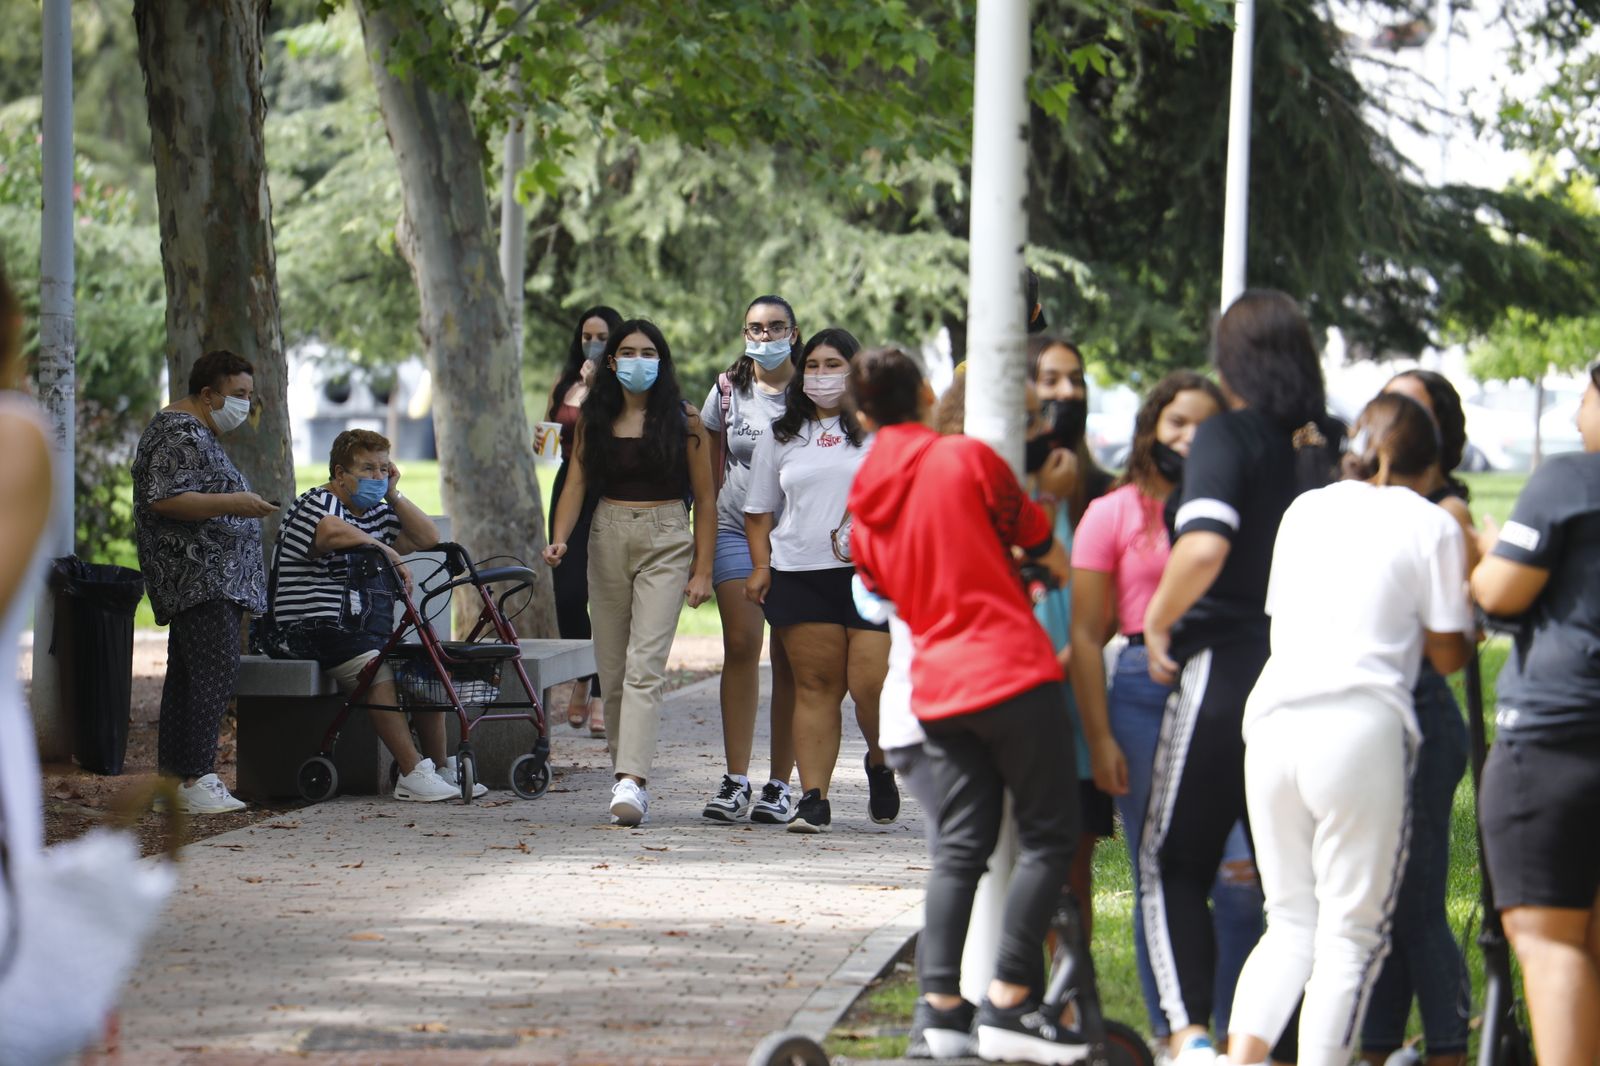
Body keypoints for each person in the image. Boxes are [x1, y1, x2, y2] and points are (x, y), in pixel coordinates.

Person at [847, 346, 1083, 1065]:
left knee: (958, 850)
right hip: (1012, 671)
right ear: (926, 393)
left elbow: (890, 591)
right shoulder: (967, 459)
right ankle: (1010, 997)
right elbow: (1042, 544)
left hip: (938, 691)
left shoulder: (862, 511)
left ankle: (942, 1010)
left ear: (862, 416)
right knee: (1050, 836)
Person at [1226, 393, 1473, 1066]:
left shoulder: (1305, 510)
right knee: (1348, 935)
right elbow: (1448, 654)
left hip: (1273, 718)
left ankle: (1241, 1057)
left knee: (1288, 923)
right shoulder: (1431, 523)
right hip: (1361, 726)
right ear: (1430, 468)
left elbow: (1282, 617)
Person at [1140, 290, 1334, 1065]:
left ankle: (1191, 1037)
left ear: (1231, 361)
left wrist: (1158, 621)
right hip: (1314, 671)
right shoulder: (1328, 444)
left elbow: (1205, 545)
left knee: (1173, 862)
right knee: (1297, 891)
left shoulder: (1229, 435)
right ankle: (1286, 1047)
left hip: (1225, 669)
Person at [1067, 370, 1264, 1045]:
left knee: (1241, 875)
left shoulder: (1236, 505)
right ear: (1152, 427)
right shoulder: (1113, 512)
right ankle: (1178, 1033)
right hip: (1141, 697)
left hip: (1225, 690)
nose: (1190, 436)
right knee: (1158, 867)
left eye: (1207, 424)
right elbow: (1086, 635)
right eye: (1178, 421)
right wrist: (1100, 738)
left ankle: (1239, 1033)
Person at [1470, 362, 1600, 1066]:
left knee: (1551, 941)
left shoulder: (1571, 480)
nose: (1577, 415)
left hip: (1559, 736)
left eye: (1585, 397)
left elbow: (1499, 592)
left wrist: (1486, 553)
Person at [544, 319, 715, 827]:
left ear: (661, 361)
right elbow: (576, 483)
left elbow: (707, 499)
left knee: (645, 664)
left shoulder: (684, 419)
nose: (638, 361)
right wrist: (560, 537)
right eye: (628, 352)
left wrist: (702, 570)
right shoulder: (595, 418)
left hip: (667, 535)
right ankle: (626, 773)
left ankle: (632, 780)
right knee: (613, 669)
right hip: (607, 534)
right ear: (613, 362)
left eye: (648, 352)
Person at [1359, 369, 1477, 1066]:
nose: (1396, 421)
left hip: (1423, 714)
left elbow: (1452, 645)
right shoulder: (1353, 506)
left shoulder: (1444, 514)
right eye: (1389, 404)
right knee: (1382, 902)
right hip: (1373, 718)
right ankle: (1379, 1049)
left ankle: (1449, 1049)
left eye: (1414, 411)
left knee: (1416, 902)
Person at [745, 328, 895, 834]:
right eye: (812, 365)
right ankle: (814, 798)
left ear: (856, 371)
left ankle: (879, 759)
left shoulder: (880, 433)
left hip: (873, 577)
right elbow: (759, 510)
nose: (821, 375)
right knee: (815, 687)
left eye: (833, 365)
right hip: (800, 574)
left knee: (870, 685)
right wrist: (761, 567)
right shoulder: (780, 435)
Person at [266, 429, 464, 801]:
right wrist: (385, 550)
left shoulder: (376, 513)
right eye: (368, 469)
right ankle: (412, 772)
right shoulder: (318, 502)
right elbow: (330, 532)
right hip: (305, 628)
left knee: (423, 668)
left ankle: (440, 768)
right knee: (377, 669)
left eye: (383, 468)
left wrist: (393, 494)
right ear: (340, 474)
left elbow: (427, 537)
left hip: (357, 631)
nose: (377, 476)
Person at [131, 349, 273, 814]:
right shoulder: (180, 431)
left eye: (249, 395)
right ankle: (196, 777)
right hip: (201, 577)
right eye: (238, 394)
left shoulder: (194, 431)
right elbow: (165, 498)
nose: (245, 404)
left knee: (189, 677)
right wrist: (236, 503)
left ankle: (174, 784)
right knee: (213, 674)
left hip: (208, 578)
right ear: (208, 394)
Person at [698, 295, 800, 824]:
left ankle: (780, 785)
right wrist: (700, 554)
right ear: (744, 334)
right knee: (741, 643)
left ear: (793, 333)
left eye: (776, 327)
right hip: (736, 528)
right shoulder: (727, 390)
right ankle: (735, 779)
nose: (765, 337)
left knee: (790, 657)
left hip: (797, 538)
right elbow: (707, 471)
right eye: (756, 328)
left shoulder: (814, 390)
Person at [1025, 335, 1114, 940]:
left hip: (1076, 693)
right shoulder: (1002, 480)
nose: (1067, 392)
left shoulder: (1100, 488)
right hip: (1008, 692)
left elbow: (1113, 600)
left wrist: (1068, 656)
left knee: (1071, 869)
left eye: (1076, 380)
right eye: (1052, 379)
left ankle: (1071, 984)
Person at [546, 305, 622, 736]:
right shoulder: (565, 381)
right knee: (569, 591)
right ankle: (583, 675)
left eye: (601, 337)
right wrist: (543, 437)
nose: (592, 344)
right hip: (569, 483)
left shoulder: (622, 384)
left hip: (610, 484)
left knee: (608, 591)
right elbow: (550, 430)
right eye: (586, 336)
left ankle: (600, 692)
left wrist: (597, 389)